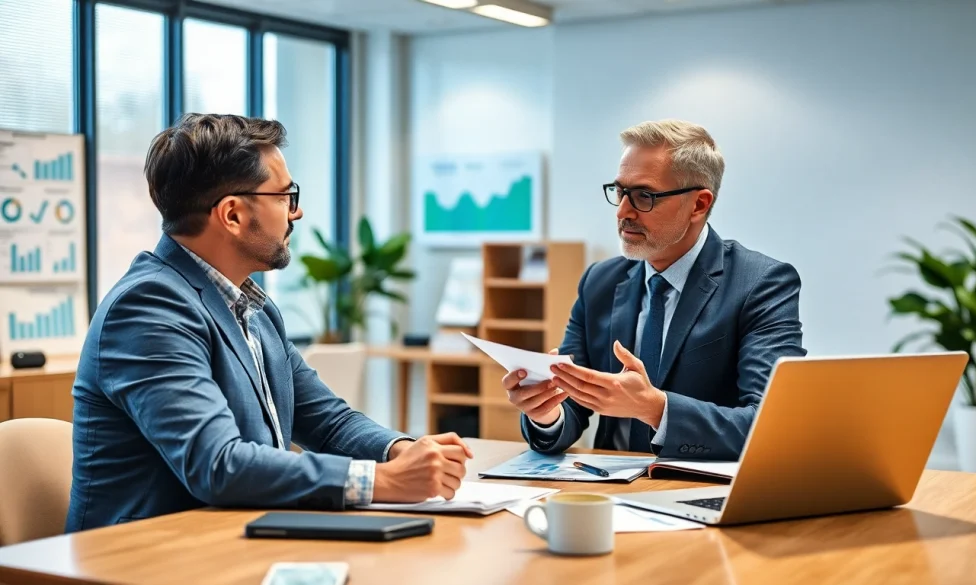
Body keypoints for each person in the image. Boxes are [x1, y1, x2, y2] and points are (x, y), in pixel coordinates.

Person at [66, 113, 471, 533]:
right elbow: (217, 464)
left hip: (238, 540)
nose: (295, 212)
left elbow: (329, 423)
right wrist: (380, 481)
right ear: (233, 215)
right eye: (284, 196)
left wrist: (400, 451)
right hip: (143, 559)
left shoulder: (253, 308)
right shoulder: (149, 307)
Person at [504, 119, 805, 459]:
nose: (622, 211)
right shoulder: (599, 282)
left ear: (699, 204)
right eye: (619, 191)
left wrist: (656, 409)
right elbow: (573, 402)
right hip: (606, 492)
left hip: (697, 494)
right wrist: (546, 413)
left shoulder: (761, 284)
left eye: (643, 196)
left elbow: (768, 424)